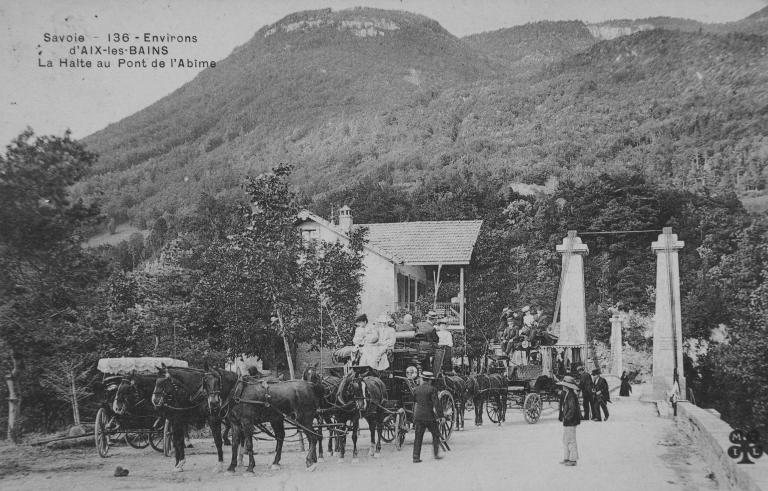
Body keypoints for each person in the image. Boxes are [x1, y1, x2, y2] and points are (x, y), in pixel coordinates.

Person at [411, 371, 444, 463]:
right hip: (429, 417)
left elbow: (414, 401)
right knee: (436, 434)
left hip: (418, 417)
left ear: (422, 379)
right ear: (429, 380)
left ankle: (415, 457)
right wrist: (441, 416)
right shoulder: (432, 389)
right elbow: (436, 404)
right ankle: (436, 454)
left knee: (418, 437)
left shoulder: (416, 389)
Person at [557, 375, 581, 466]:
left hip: (570, 421)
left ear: (567, 386)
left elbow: (572, 409)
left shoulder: (570, 395)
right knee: (566, 440)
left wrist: (566, 417)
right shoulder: (568, 394)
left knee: (571, 440)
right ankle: (567, 458)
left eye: (564, 385)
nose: (562, 386)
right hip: (569, 421)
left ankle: (573, 460)